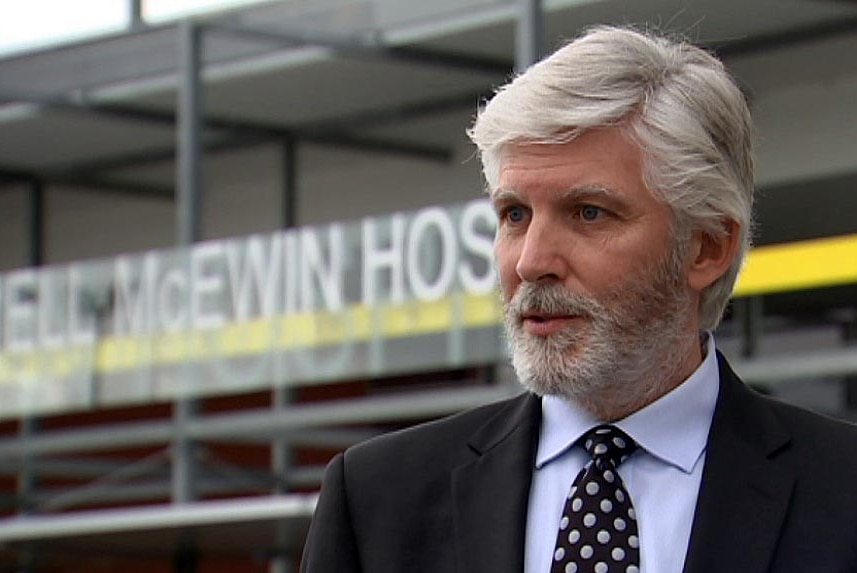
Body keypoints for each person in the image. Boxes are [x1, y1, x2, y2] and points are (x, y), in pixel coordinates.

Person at [300, 25, 857, 573]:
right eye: (514, 214)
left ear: (706, 247)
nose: (531, 261)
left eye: (589, 212)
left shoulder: (839, 491)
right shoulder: (377, 499)